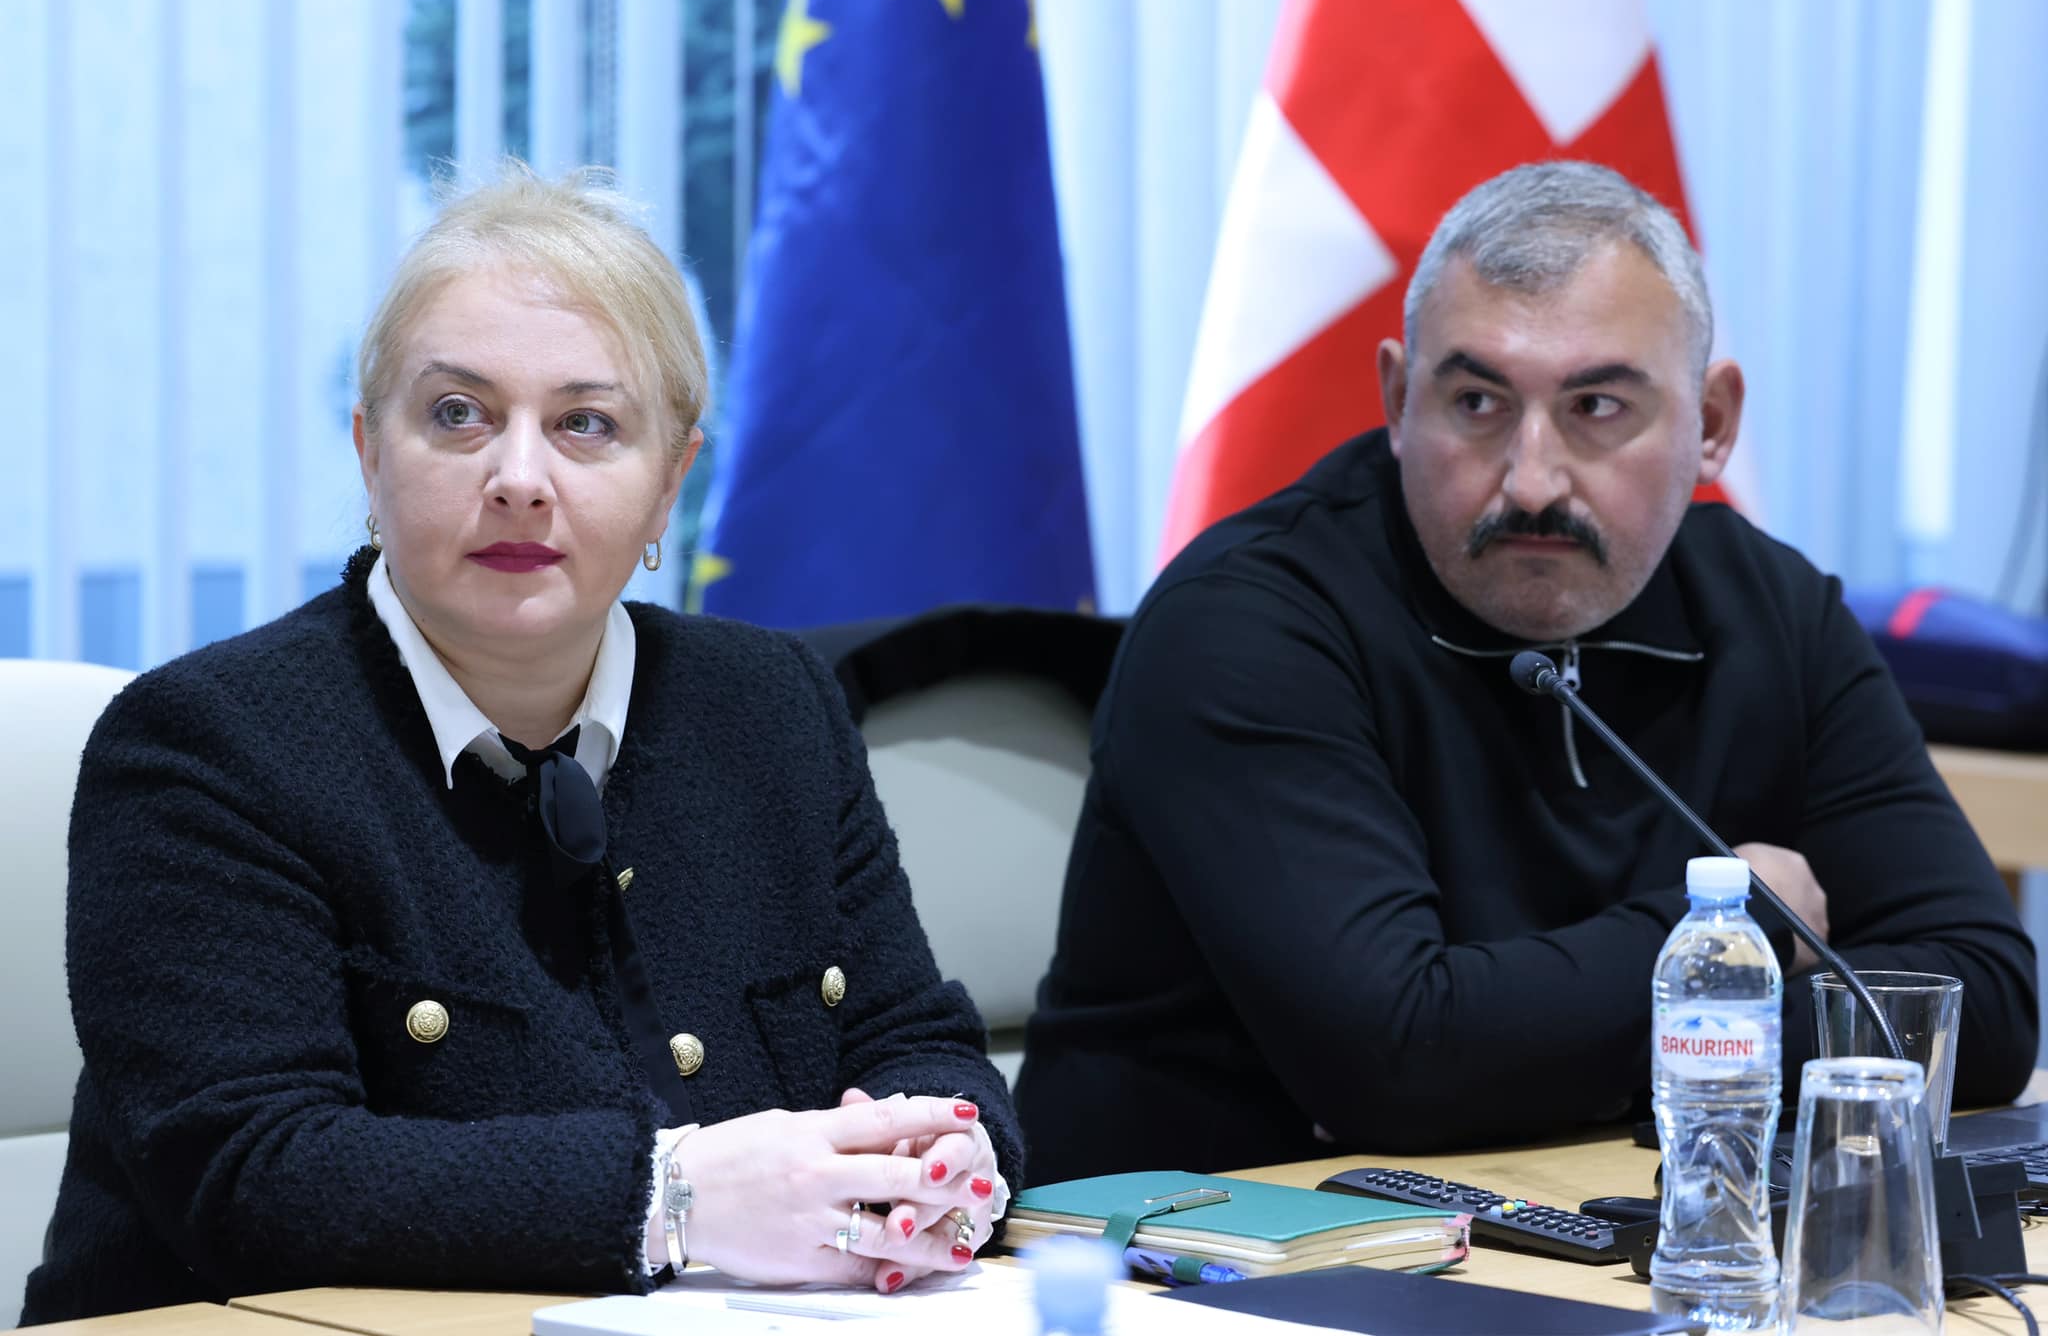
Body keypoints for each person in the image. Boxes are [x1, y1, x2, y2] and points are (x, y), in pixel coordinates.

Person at [23, 166, 1017, 1323]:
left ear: (670, 484)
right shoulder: (207, 746)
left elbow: (911, 1037)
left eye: (586, 424)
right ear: (370, 454)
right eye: (458, 415)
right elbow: (251, 1173)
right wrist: (678, 1198)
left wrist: (942, 1158)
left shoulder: (770, 704)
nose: (519, 481)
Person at [1016, 160, 2038, 1183]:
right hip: (1211, 1242)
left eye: (1597, 407)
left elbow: (1976, 1011)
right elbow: (1395, 1058)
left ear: (1713, 425)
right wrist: (1732, 942)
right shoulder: (1246, 621)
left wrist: (1555, 1037)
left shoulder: (1772, 611)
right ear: (1396, 401)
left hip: (1580, 1215)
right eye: (1476, 402)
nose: (1533, 480)